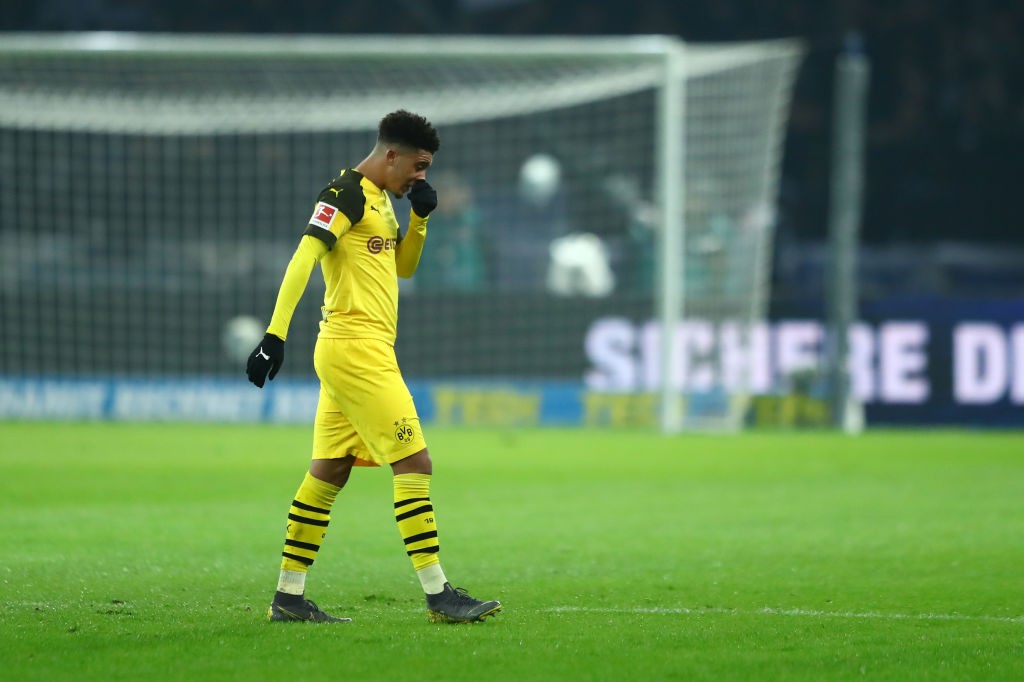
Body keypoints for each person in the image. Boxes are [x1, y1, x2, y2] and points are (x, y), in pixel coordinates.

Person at [245, 110, 501, 624]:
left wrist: (421, 220)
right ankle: (439, 595)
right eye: (419, 166)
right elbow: (303, 257)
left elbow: (401, 267)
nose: (421, 177)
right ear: (392, 155)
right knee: (415, 463)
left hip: (361, 349)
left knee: (330, 469)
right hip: (355, 349)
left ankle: (288, 598)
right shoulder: (344, 194)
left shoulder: (382, 200)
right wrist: (275, 334)